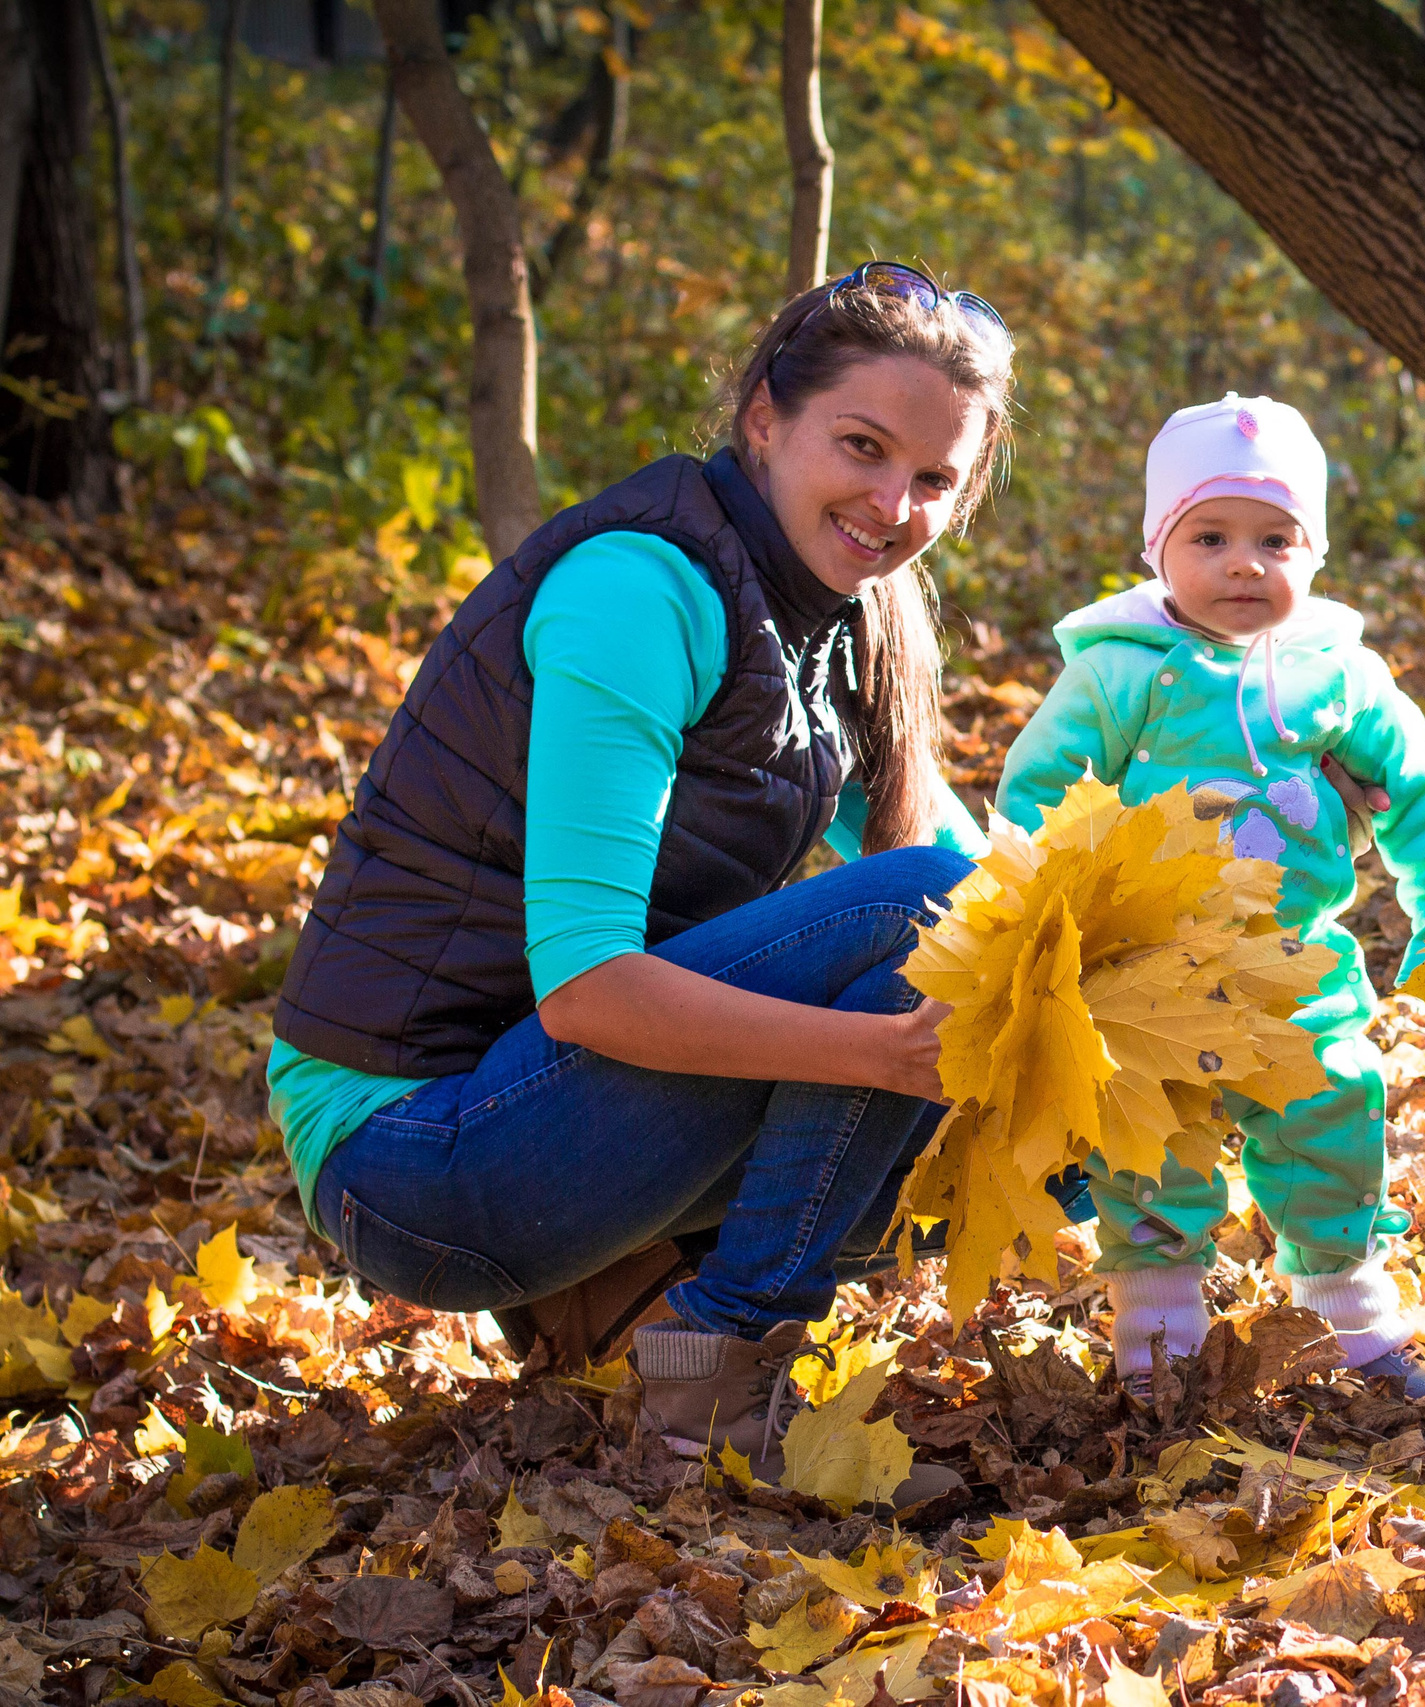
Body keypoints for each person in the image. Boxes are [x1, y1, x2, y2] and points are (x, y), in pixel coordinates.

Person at [265, 266, 1049, 1496]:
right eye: (861, 446)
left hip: (547, 1109)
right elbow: (587, 991)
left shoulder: (834, 621)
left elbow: (988, 886)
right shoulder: (640, 591)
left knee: (1048, 1101)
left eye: (934, 480)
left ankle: (629, 1304)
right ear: (763, 419)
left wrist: (1149, 941)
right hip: (407, 1154)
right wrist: (878, 1057)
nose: (893, 504)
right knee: (919, 917)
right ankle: (716, 1360)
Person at [996, 394, 1425, 1399]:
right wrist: (1052, 916)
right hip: (1147, 970)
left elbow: (1422, 800)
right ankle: (1157, 1345)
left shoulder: (1340, 676)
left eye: (1275, 540)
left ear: (1315, 553)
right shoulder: (1119, 675)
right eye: (1209, 537)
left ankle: (1352, 1325)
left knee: (1333, 1115)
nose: (1245, 564)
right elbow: (1038, 796)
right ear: (1158, 549)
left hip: (1296, 964)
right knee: (1150, 1150)